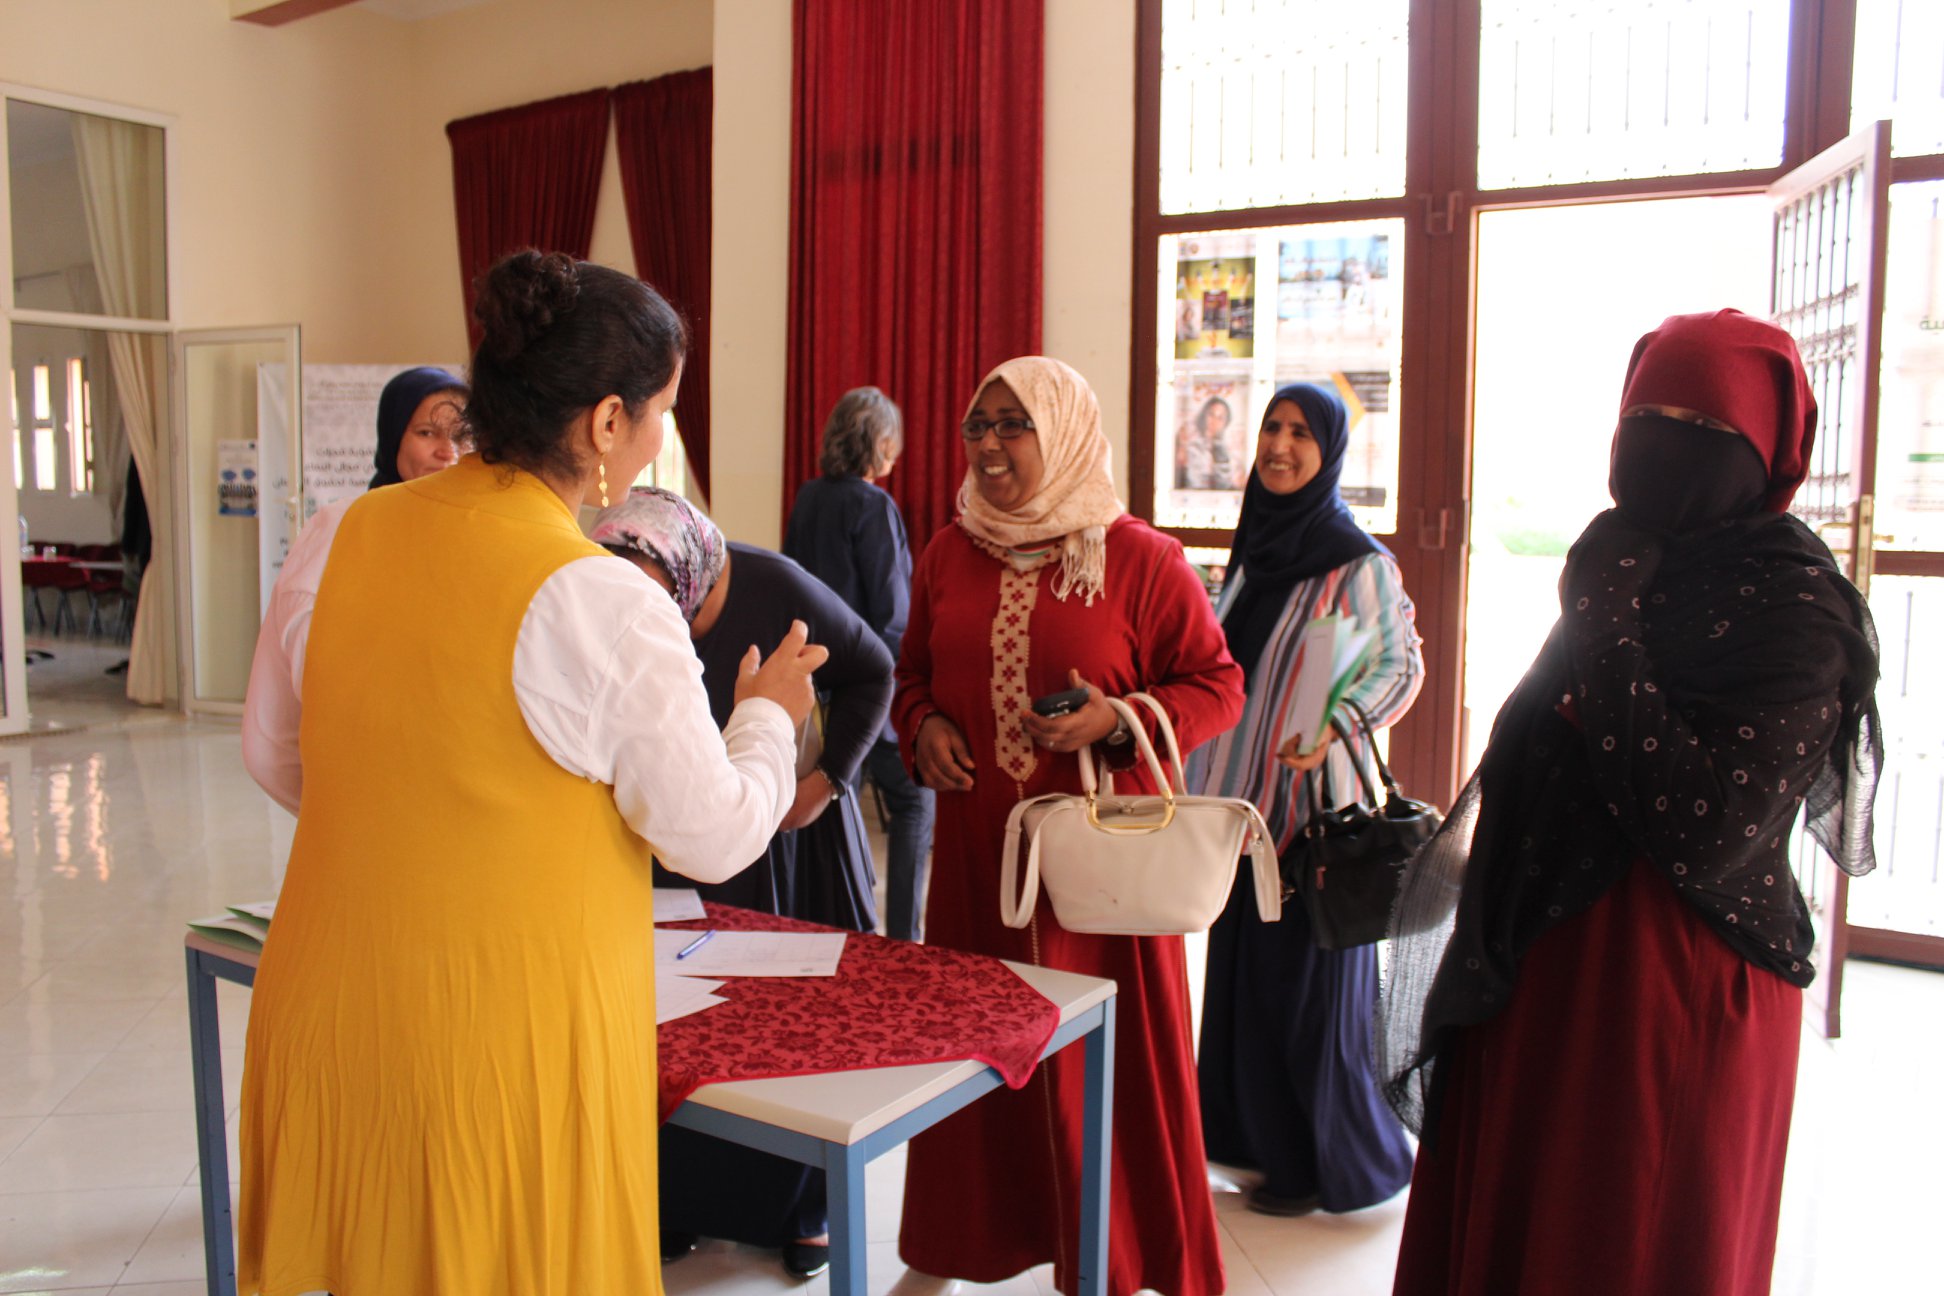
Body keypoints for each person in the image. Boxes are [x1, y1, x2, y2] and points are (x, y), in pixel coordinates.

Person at [236, 249, 826, 1296]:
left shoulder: (343, 531)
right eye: (659, 413)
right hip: (492, 1044)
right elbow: (716, 832)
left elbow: (282, 755)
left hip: (330, 1001)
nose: (658, 439)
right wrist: (766, 717)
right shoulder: (596, 599)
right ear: (606, 424)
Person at [1381, 309, 1882, 1296]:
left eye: (1699, 432)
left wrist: (1606, 629)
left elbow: (1708, 829)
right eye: (1645, 418)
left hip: (1675, 980)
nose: (1662, 453)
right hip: (1548, 956)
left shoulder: (1796, 610)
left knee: (1625, 1239)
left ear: (1768, 452)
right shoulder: (1620, 552)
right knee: (1523, 1225)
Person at [893, 356, 1245, 1296]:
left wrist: (1117, 719)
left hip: (1100, 871)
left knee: (1104, 1067)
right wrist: (921, 725)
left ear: (1067, 430)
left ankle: (1122, 1259)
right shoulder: (947, 551)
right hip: (976, 863)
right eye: (979, 425)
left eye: (1015, 424)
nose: (991, 445)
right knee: (970, 1053)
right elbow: (911, 671)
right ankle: (962, 1244)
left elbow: (1218, 685)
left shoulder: (1139, 558)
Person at [592, 487, 890, 1280]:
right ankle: (685, 1200)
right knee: (682, 1025)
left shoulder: (777, 588)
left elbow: (873, 671)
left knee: (782, 1027)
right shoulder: (624, 613)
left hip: (782, 847)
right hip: (675, 839)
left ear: (687, 572)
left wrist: (826, 781)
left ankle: (804, 1208)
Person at [1188, 382, 1423, 1216]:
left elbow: (1400, 667)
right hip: (1241, 814)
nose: (1280, 447)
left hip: (1310, 818)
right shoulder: (1256, 550)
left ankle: (1337, 1165)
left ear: (1330, 453)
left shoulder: (1358, 561)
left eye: (1301, 434)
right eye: (1271, 429)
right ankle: (1260, 1151)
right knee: (1248, 984)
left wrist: (1338, 724)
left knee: (1305, 998)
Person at [783, 386, 937, 941]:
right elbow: (892, 613)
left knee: (824, 805)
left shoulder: (808, 497)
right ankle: (901, 940)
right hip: (869, 687)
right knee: (916, 803)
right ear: (879, 443)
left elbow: (795, 587)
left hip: (817, 685)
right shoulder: (875, 506)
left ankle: (829, 929)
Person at [369, 365, 469, 488]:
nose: (448, 453)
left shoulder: (487, 505)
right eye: (427, 433)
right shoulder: (364, 507)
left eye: (461, 435)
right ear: (392, 438)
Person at [1177, 395, 1237, 491]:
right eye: (1211, 414)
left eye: (1220, 418)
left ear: (1226, 422)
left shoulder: (1228, 452)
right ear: (1204, 415)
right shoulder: (1192, 447)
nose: (1214, 421)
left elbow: (1226, 483)